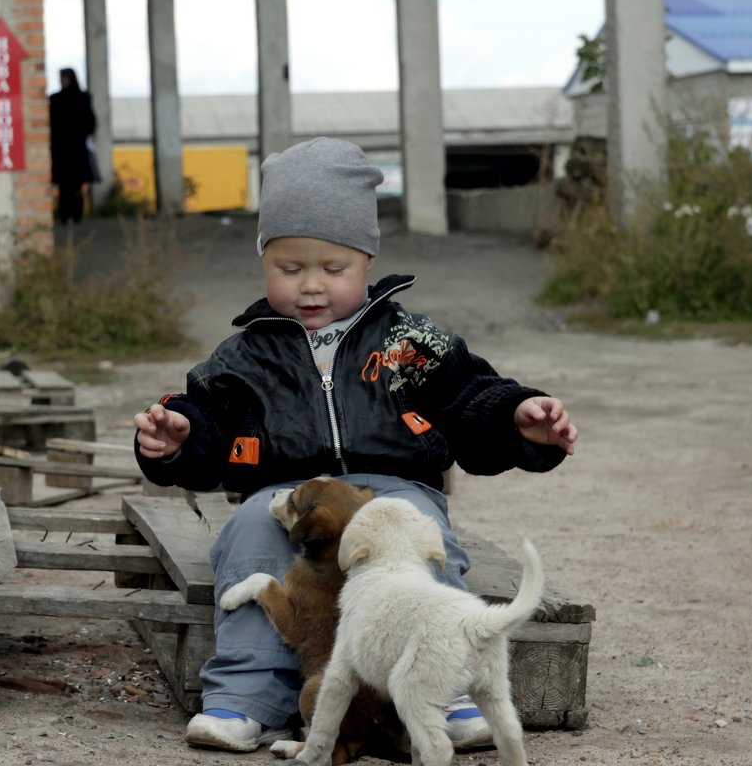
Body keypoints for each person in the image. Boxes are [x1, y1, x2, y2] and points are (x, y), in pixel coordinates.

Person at [133, 137, 578, 754]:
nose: (310, 286)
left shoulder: (410, 341)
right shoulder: (246, 354)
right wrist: (178, 436)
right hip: (287, 496)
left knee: (418, 544)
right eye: (289, 268)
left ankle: (443, 693)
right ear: (264, 261)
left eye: (332, 269)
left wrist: (515, 417)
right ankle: (244, 697)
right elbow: (205, 418)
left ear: (367, 259)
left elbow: (471, 396)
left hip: (389, 494)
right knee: (251, 539)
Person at [48, 67, 97, 223]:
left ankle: (76, 215)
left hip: (75, 148)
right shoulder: (56, 99)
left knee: (75, 184)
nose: (64, 81)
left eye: (66, 78)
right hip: (63, 148)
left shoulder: (81, 98)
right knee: (64, 185)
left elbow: (90, 122)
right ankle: (64, 215)